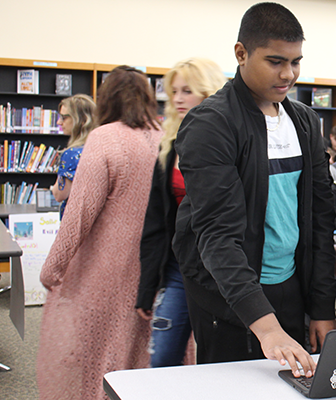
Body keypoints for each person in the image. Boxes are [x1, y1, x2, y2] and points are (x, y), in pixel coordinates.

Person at [171, 2, 336, 378]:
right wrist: (266, 326)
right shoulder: (210, 124)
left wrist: (323, 307)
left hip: (290, 287)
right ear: (241, 54)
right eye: (275, 61)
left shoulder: (306, 123)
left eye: (296, 62)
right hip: (228, 296)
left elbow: (320, 220)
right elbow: (216, 234)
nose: (288, 74)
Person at [37, 65, 163, 400]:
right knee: (139, 353)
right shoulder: (164, 136)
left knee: (98, 357)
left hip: (104, 270)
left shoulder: (105, 138)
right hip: (154, 269)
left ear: (106, 99)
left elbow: (79, 213)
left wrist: (53, 267)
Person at [135, 58, 226, 367]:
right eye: (174, 91)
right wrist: (147, 287)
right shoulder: (170, 146)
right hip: (179, 268)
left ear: (208, 92)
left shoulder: (232, 142)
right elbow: (155, 221)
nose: (177, 99)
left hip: (225, 271)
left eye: (187, 90)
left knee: (219, 364)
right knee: (162, 359)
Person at [49, 94, 96, 219]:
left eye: (64, 117)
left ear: (81, 120)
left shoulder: (71, 154)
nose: (59, 122)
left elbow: (60, 194)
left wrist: (54, 188)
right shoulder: (101, 148)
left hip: (76, 221)